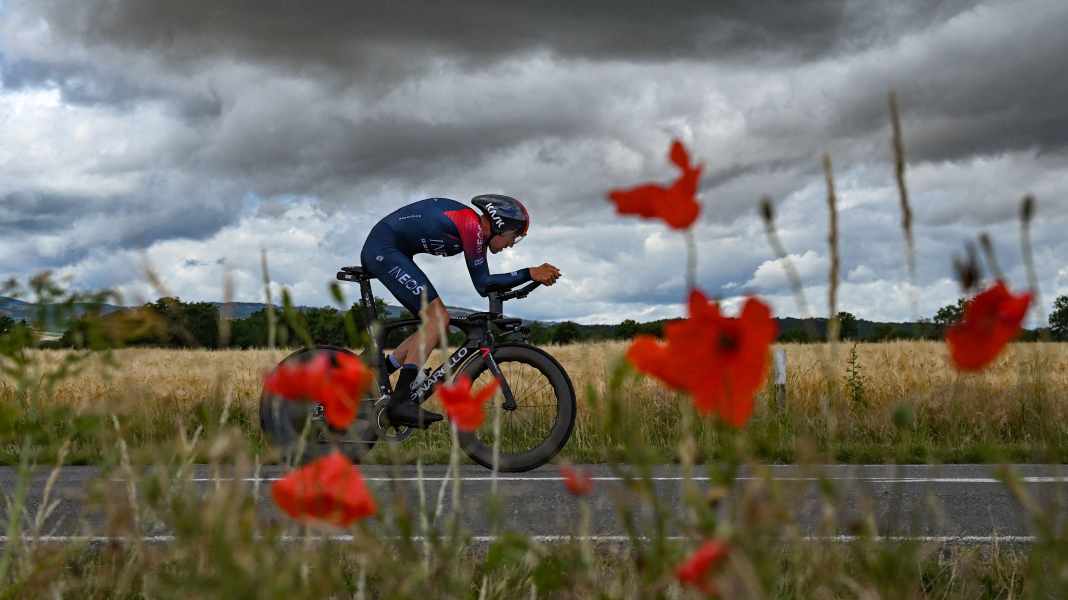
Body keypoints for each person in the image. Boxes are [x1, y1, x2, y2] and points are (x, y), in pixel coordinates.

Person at [360, 195, 561, 428]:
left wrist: (525, 281)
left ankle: (379, 373)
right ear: (501, 225)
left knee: (436, 324)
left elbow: (486, 284)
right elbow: (483, 284)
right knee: (437, 319)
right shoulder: (471, 227)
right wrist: (529, 273)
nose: (511, 245)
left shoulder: (474, 231)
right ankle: (401, 402)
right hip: (383, 249)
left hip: (391, 250)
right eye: (514, 237)